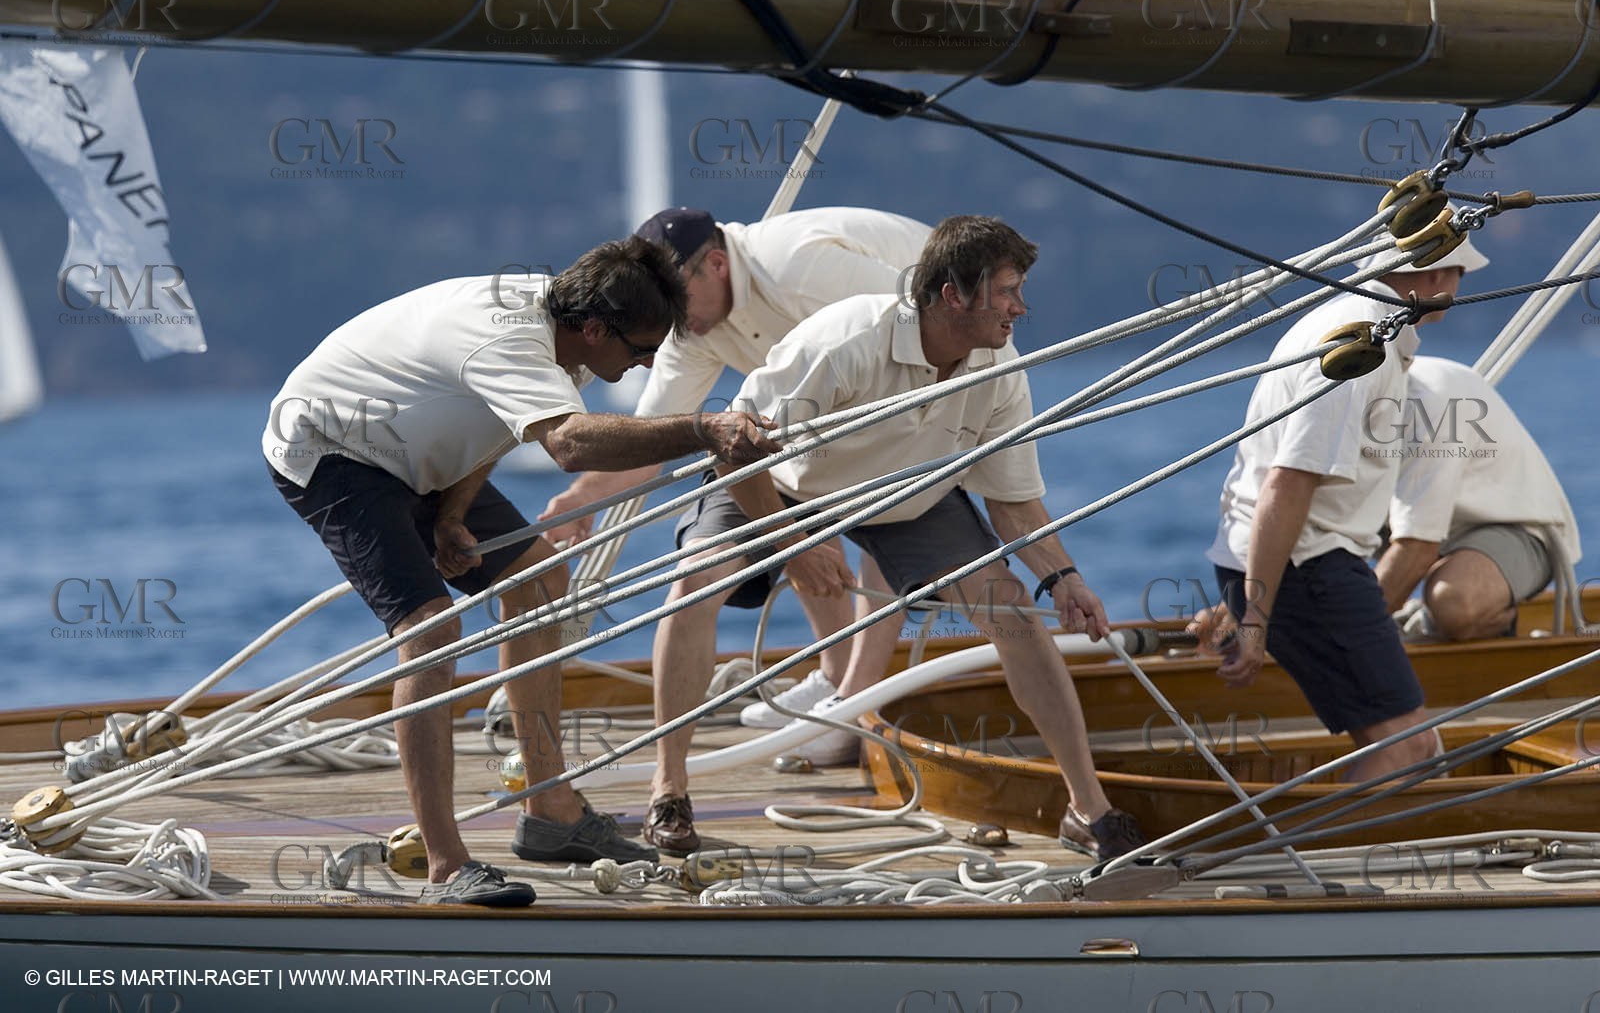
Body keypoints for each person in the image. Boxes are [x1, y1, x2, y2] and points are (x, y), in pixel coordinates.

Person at [263, 238, 781, 907]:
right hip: (335, 445)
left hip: (420, 448)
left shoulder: (569, 327)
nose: (649, 361)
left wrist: (452, 509)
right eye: (642, 348)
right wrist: (705, 428)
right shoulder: (511, 338)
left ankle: (551, 814)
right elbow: (565, 442)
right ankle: (447, 867)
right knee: (430, 630)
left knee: (539, 577)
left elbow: (506, 420)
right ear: (595, 329)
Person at [638, 215, 1147, 861]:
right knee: (694, 582)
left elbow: (1015, 506)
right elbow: (740, 445)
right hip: (780, 479)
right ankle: (669, 790)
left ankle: (1088, 809)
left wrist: (1065, 579)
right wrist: (792, 540)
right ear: (953, 296)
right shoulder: (848, 338)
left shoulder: (1000, 369)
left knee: (1013, 609)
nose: (1022, 306)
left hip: (904, 497)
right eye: (1008, 290)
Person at [540, 206, 934, 764]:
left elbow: (919, 324)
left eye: (677, 298)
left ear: (717, 265)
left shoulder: (799, 263)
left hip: (929, 371)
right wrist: (582, 499)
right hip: (823, 410)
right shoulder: (689, 322)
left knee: (883, 506)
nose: (671, 321)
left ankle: (853, 704)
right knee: (777, 496)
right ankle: (833, 674)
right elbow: (651, 437)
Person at [1196, 232, 1489, 781]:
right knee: (1404, 751)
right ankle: (1318, 862)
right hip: (1307, 566)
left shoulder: (1357, 324)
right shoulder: (1363, 351)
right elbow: (1286, 484)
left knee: (1409, 746)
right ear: (1435, 278)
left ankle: (1332, 857)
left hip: (1305, 561)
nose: (1455, 287)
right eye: (1457, 275)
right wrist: (1256, 617)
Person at [1374, 355, 1582, 641]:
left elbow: (1417, 547)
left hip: (1514, 528)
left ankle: (1486, 614)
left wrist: (1347, 636)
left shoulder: (1431, 399)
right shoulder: (1334, 403)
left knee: (1456, 603)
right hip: (1421, 532)